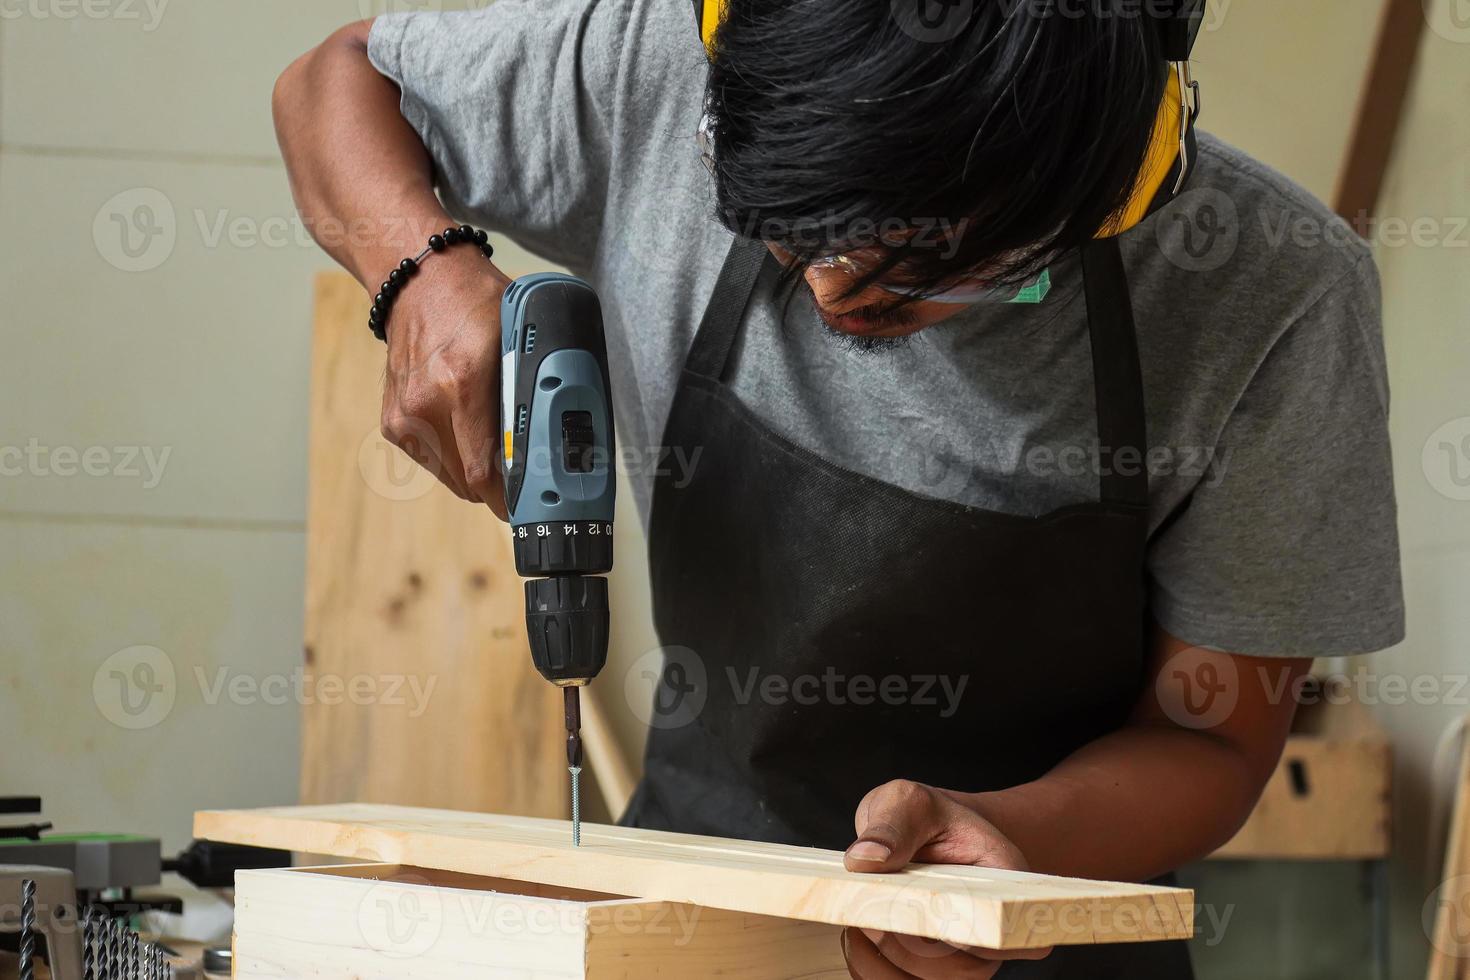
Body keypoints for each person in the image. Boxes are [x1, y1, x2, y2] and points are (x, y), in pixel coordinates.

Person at [272, 1, 1405, 976]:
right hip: (694, 913)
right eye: (789, 230)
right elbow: (335, 80)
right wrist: (419, 270)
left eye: (920, 264)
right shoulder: (666, 76)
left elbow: (1208, 742)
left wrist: (1003, 835)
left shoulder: (1269, 292)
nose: (827, 285)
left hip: (1031, 934)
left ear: (1110, 184)